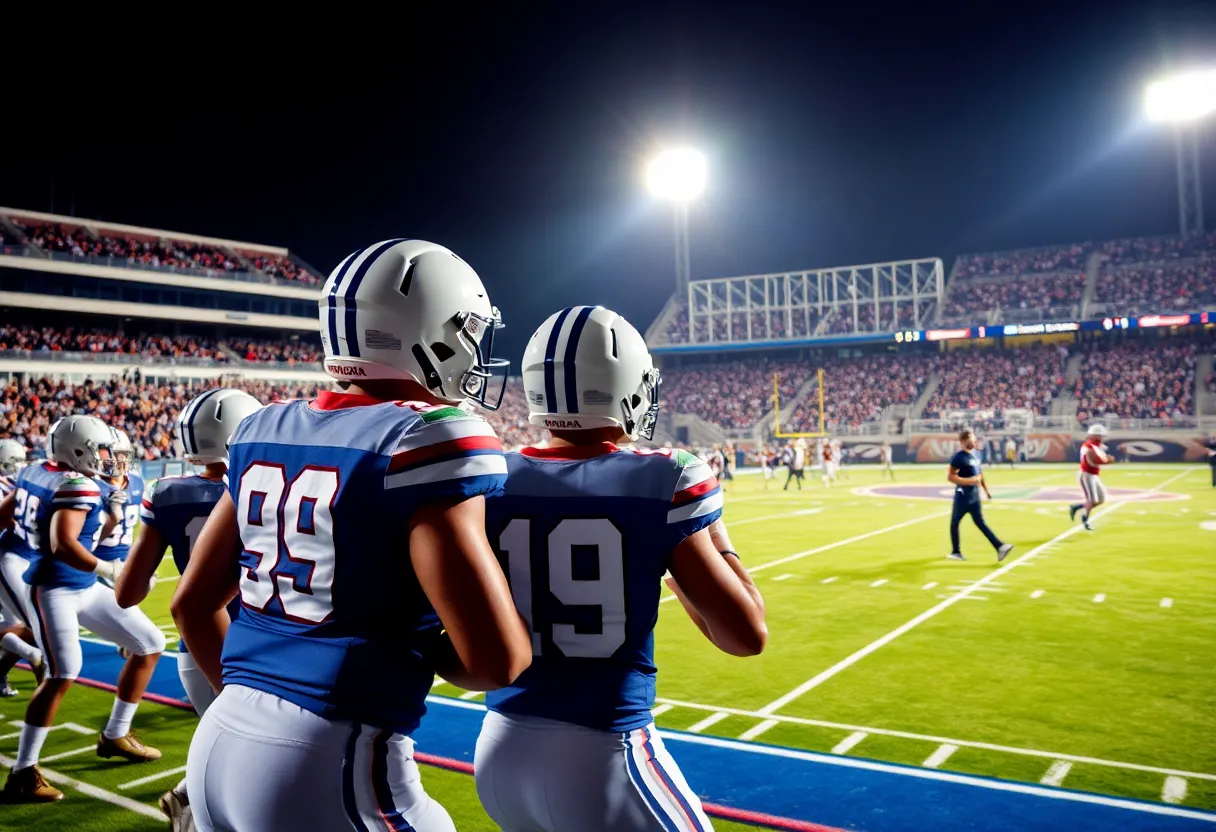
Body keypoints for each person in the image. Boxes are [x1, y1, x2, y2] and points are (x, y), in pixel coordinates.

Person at [171, 238, 532, 832]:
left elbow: (190, 605)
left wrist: (249, 697)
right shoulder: (424, 440)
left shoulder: (264, 427)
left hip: (218, 740)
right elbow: (498, 659)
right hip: (328, 751)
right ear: (427, 334)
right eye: (466, 332)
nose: (474, 352)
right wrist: (410, 645)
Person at [476, 306, 766, 832]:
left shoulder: (490, 475)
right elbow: (744, 634)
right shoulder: (662, 479)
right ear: (627, 386)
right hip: (604, 752)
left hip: (498, 749)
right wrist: (709, 534)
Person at [115, 388, 262, 831]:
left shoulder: (165, 492)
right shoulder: (260, 487)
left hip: (196, 650)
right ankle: (188, 799)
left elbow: (127, 594)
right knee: (254, 771)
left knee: (236, 758)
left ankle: (187, 798)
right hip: (257, 648)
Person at [2, 416, 166, 804]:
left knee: (149, 642)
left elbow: (10, 516)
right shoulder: (77, 485)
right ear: (77, 451)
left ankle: (115, 734)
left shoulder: (36, 471)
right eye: (100, 450)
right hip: (54, 587)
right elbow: (63, 545)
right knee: (64, 672)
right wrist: (110, 568)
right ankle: (22, 771)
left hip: (83, 587)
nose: (106, 458)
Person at [0, 438, 42, 698]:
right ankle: (47, 685)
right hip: (7, 558)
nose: (21, 466)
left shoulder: (19, 484)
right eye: (16, 462)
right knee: (35, 624)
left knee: (24, 623)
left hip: (23, 558)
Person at [947, 429, 1014, 563]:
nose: (975, 440)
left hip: (974, 497)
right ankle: (956, 552)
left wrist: (986, 490)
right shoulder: (958, 457)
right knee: (955, 523)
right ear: (964, 441)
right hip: (963, 497)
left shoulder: (974, 457)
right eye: (972, 438)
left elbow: (980, 476)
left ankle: (1000, 546)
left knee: (979, 523)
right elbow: (950, 476)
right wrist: (968, 481)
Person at [1070, 424, 1113, 531]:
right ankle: (1086, 520)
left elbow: (1100, 458)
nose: (1102, 438)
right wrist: (1106, 461)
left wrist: (1105, 459)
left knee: (1101, 499)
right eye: (1100, 436)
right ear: (1095, 435)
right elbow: (1092, 461)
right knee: (1091, 499)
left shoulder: (1096, 446)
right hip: (1086, 474)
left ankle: (1077, 507)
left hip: (1094, 475)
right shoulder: (1088, 446)